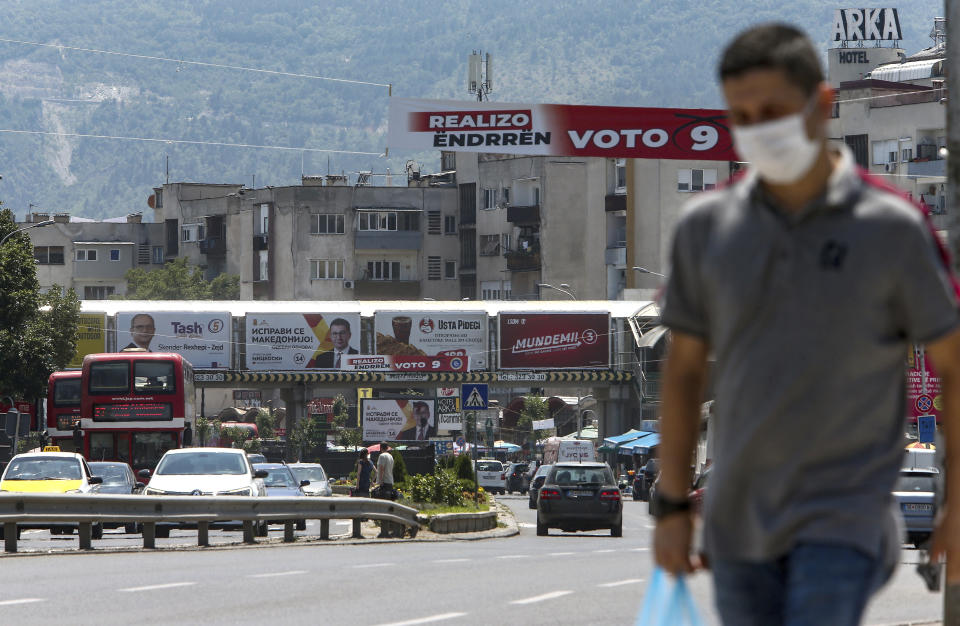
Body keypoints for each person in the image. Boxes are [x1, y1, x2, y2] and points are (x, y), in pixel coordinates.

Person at [653, 23, 960, 626]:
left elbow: (952, 364)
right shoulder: (705, 229)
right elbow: (684, 372)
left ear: (822, 104)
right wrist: (670, 507)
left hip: (844, 515)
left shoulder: (891, 228)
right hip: (738, 523)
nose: (759, 128)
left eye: (774, 109)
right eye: (742, 116)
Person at [374, 442, 399, 538]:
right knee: (389, 507)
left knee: (383, 508)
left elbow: (381, 469)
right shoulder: (390, 456)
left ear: (381, 448)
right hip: (390, 483)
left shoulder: (382, 456)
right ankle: (390, 528)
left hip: (384, 483)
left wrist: (379, 482)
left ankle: (385, 531)